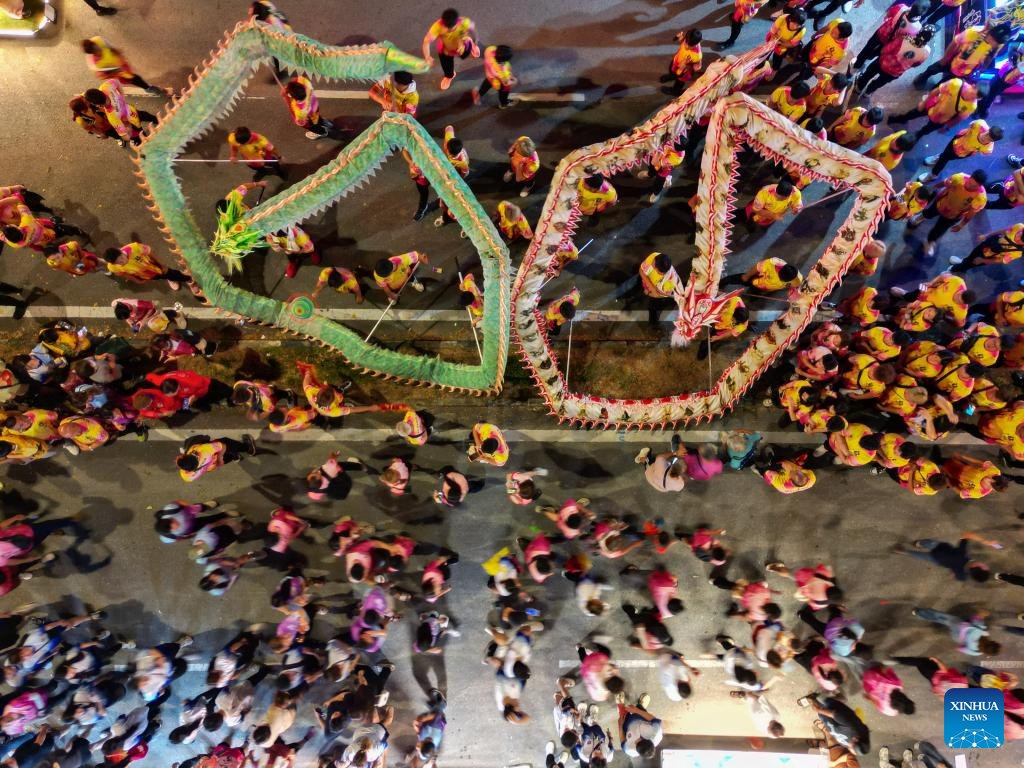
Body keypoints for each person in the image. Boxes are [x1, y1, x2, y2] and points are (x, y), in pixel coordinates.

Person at [917, 170, 988, 257]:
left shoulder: (980, 198)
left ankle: (930, 242)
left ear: (980, 186)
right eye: (970, 182)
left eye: (974, 186)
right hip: (942, 202)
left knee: (940, 229)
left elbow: (971, 213)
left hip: (954, 215)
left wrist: (961, 225)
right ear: (970, 177)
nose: (969, 186)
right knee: (930, 212)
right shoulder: (959, 178)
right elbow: (945, 183)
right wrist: (932, 188)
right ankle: (922, 216)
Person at [857, 24, 934, 97]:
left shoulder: (904, 39)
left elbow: (886, 50)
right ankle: (867, 93)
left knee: (868, 74)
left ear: (920, 32)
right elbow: (916, 64)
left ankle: (859, 88)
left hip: (883, 63)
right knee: (879, 83)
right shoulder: (926, 52)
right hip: (894, 72)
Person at [889, 77, 978, 137]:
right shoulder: (956, 84)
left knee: (927, 130)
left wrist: (947, 127)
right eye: (972, 94)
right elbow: (937, 90)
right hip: (933, 104)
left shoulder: (972, 106)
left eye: (975, 98)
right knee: (914, 113)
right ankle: (901, 118)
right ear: (973, 86)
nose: (971, 98)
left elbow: (959, 118)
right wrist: (924, 102)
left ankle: (917, 136)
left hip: (942, 118)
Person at [895, 532, 1002, 582]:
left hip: (939, 547)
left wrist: (986, 541)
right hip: (938, 560)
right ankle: (903, 551)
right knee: (921, 556)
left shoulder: (962, 554)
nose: (985, 564)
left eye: (984, 566)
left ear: (975, 566)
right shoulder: (964, 576)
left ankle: (919, 543)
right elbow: (957, 577)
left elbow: (966, 535)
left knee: (927, 543)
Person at [920, 120, 1001, 181]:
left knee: (945, 158)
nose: (985, 137)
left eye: (989, 139)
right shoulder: (980, 124)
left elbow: (983, 153)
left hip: (961, 152)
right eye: (987, 133)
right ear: (988, 129)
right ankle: (939, 157)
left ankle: (934, 174)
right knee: (945, 155)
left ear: (992, 141)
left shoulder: (988, 149)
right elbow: (971, 124)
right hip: (957, 139)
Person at [81, 36, 164, 94]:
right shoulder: (96, 65)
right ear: (93, 53)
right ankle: (147, 88)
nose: (99, 49)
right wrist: (118, 71)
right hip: (117, 71)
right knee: (134, 78)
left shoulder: (98, 40)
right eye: (96, 51)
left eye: (97, 46)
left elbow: (112, 48)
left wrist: (120, 57)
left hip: (120, 63)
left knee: (132, 76)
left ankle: (145, 86)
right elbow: (104, 74)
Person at [422, 7, 480, 90]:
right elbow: (426, 41)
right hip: (446, 49)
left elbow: (473, 29)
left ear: (457, 22)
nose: (449, 30)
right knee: (446, 65)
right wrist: (427, 57)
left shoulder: (464, 22)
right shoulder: (437, 27)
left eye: (452, 27)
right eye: (447, 27)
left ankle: (471, 44)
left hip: (462, 44)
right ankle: (450, 76)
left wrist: (475, 41)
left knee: (464, 55)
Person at [912, 608, 1001, 656]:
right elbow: (960, 648)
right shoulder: (976, 652)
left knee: (940, 616)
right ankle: (919, 614)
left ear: (992, 642)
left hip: (959, 626)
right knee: (943, 621)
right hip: (956, 637)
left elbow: (976, 619)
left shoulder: (983, 633)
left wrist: (981, 615)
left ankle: (919, 612)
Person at [103, 242, 189, 289]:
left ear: (120, 251)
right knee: (162, 276)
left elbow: (151, 254)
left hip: (155, 267)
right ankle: (170, 278)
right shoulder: (112, 267)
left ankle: (189, 279)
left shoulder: (134, 247)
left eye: (121, 258)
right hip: (147, 275)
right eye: (119, 263)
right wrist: (137, 281)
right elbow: (124, 274)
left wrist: (161, 265)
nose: (123, 262)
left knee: (172, 273)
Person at [176, 434, 256, 482]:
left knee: (225, 458)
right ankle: (248, 448)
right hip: (214, 456)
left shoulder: (187, 477)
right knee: (226, 442)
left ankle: (235, 456)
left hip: (211, 465)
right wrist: (220, 458)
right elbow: (222, 446)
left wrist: (219, 462)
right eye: (180, 457)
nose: (176, 458)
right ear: (188, 456)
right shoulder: (203, 450)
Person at [281, 75, 337, 140]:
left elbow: (302, 123)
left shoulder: (299, 110)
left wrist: (286, 96)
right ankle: (324, 122)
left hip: (310, 120)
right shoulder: (308, 89)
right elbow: (300, 79)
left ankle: (322, 132)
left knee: (313, 127)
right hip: (315, 110)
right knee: (318, 118)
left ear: (291, 96)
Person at [950, 223, 1023, 272]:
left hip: (987, 256)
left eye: (1020, 239)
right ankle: (962, 262)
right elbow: (1003, 231)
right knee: (972, 255)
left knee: (971, 264)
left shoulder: (1018, 252)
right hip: (988, 243)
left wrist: (983, 260)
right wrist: (987, 235)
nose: (1017, 236)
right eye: (1020, 233)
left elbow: (1002, 260)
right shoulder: (1019, 227)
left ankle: (955, 269)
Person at [617, 694, 662, 759]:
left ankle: (621, 708)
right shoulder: (656, 734)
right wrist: (637, 710)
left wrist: (620, 725)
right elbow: (652, 718)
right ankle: (640, 705)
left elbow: (622, 739)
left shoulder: (629, 750)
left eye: (636, 743)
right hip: (642, 717)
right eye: (640, 740)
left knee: (622, 714)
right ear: (648, 739)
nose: (636, 740)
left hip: (627, 725)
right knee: (641, 709)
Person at [766, 10, 807, 74]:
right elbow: (773, 32)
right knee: (767, 51)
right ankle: (764, 61)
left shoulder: (802, 30)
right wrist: (773, 41)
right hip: (774, 38)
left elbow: (792, 44)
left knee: (777, 57)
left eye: (798, 25)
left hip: (784, 45)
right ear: (789, 19)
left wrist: (780, 43)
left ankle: (774, 69)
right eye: (794, 23)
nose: (795, 27)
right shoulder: (782, 18)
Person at [663, 29, 702, 95]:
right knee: (672, 70)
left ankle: (675, 91)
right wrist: (677, 37)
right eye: (686, 42)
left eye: (690, 45)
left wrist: (687, 66)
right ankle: (671, 76)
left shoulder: (697, 55)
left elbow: (697, 67)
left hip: (684, 71)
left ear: (696, 44)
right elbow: (681, 40)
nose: (686, 46)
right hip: (676, 60)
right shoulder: (688, 38)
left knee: (680, 81)